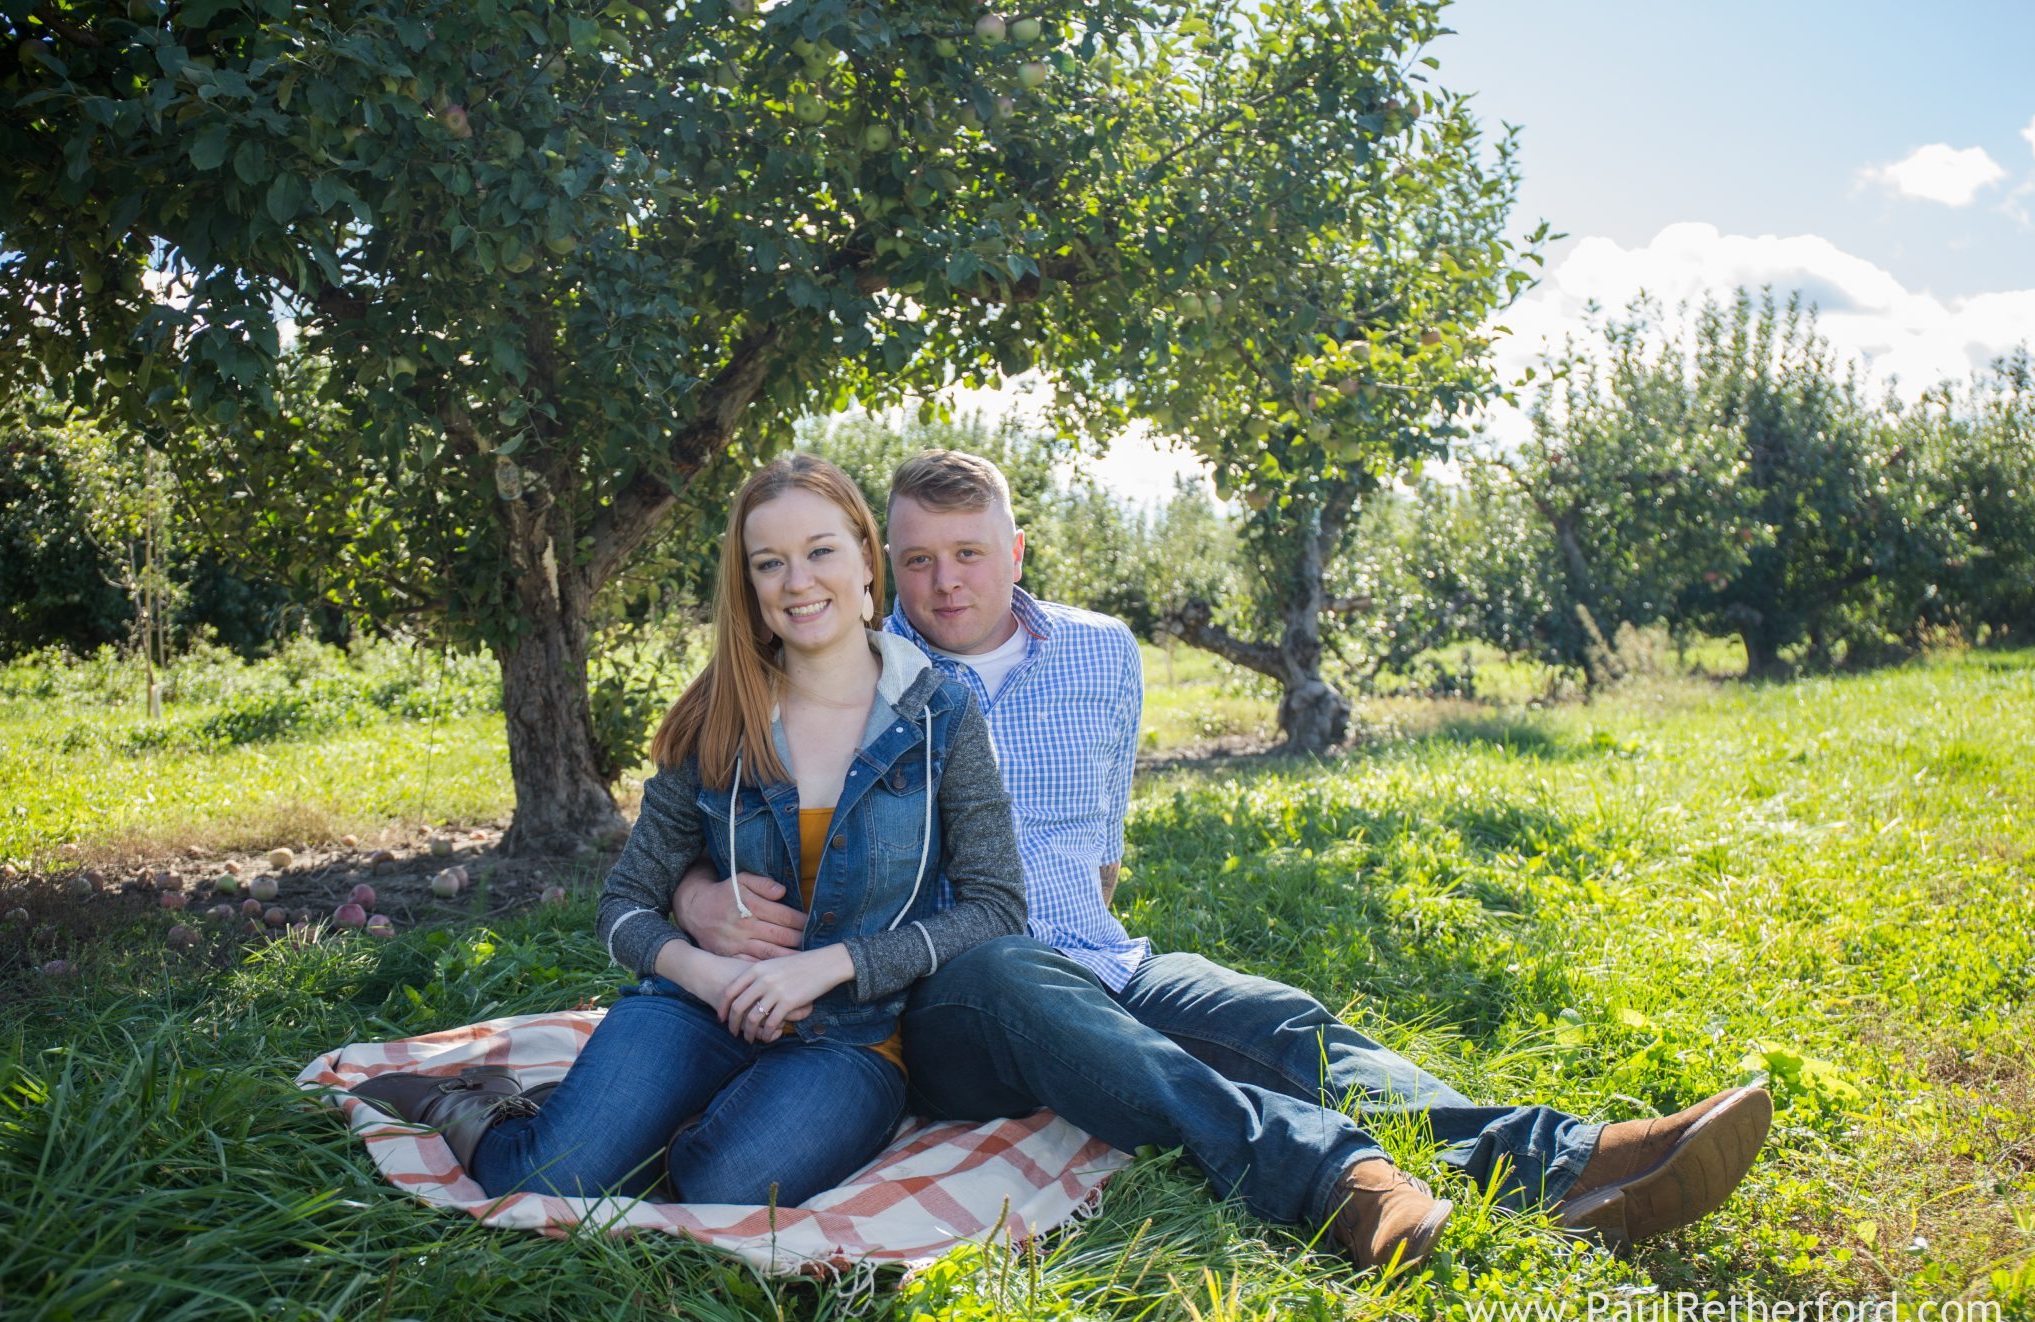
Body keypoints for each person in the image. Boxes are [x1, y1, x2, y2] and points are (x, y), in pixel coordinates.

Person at [673, 447, 1773, 1268]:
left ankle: (1568, 1162)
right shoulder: (849, 657)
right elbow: (697, 811)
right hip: (941, 994)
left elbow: (1096, 842)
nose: (944, 584)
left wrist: (1108, 967)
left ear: (1014, 551)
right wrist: (698, 895)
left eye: (968, 555)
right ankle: (1339, 1182)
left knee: (1274, 1018)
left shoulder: (1100, 654)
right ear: (879, 567)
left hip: (1093, 951)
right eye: (915, 562)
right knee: (1011, 977)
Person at [353, 455, 1026, 1207]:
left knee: (725, 1183)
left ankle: (648, 1125)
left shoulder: (941, 717)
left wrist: (834, 963)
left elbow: (997, 904)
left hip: (851, 1040)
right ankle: (478, 1105)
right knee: (542, 1178)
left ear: (867, 556)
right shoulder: (718, 717)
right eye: (770, 563)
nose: (798, 582)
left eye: (820, 551)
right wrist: (712, 974)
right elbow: (623, 909)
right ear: (749, 585)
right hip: (701, 1007)